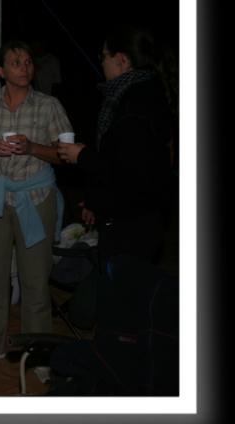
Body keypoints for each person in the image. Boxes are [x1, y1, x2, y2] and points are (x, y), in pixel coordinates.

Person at [0, 39, 73, 359]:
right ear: (1, 71)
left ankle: (37, 355)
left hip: (36, 198)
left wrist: (32, 147)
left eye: (28, 62)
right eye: (16, 63)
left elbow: (66, 154)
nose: (25, 68)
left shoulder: (49, 106)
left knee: (35, 281)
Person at [57, 24, 174, 263]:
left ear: (121, 60)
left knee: (125, 282)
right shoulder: (142, 92)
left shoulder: (135, 105)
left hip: (133, 224)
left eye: (104, 56)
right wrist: (96, 202)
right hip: (140, 216)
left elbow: (128, 173)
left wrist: (82, 155)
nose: (101, 63)